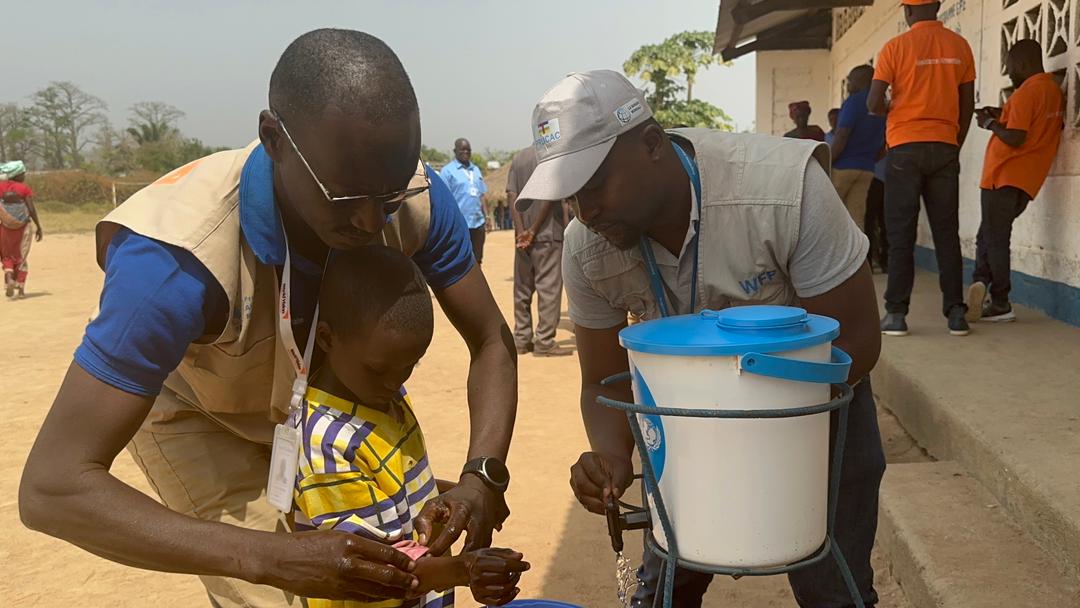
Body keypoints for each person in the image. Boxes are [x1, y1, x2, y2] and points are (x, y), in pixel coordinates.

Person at [19, 29, 517, 608]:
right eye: (345, 196)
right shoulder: (175, 262)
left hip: (325, 409)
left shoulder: (418, 201)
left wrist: (483, 474)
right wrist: (266, 556)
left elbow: (490, 341)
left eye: (387, 196)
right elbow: (54, 486)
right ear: (274, 139)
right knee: (281, 595)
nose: (368, 222)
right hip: (204, 416)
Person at [518, 70, 884, 608]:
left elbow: (856, 339)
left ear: (650, 145)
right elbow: (600, 378)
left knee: (832, 587)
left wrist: (750, 423)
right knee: (667, 582)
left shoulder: (781, 190)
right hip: (681, 422)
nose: (584, 213)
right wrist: (613, 459)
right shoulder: (585, 249)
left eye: (593, 186)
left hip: (812, 412)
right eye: (570, 196)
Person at [294, 245, 529, 608]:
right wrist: (465, 569)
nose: (394, 383)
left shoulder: (377, 396)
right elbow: (371, 567)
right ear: (327, 338)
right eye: (379, 369)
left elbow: (390, 485)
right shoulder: (327, 442)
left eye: (409, 367)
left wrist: (459, 496)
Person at [868, 0, 976, 337]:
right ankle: (956, 314)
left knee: (901, 234)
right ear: (938, 6)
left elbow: (873, 103)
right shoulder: (960, 46)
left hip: (904, 149)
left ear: (907, 12)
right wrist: (953, 143)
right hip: (944, 145)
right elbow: (967, 105)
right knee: (947, 233)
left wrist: (894, 108)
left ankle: (897, 314)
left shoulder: (895, 47)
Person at [967, 39, 1064, 323]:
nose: (1008, 73)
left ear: (1022, 64)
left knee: (994, 238)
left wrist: (989, 124)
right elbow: (1029, 126)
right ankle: (981, 282)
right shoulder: (1052, 91)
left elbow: (1016, 137)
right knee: (988, 235)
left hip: (1004, 174)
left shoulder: (1026, 93)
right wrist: (1001, 115)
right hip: (1026, 179)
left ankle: (1000, 301)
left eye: (1010, 66)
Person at [506, 146, 572, 358]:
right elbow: (550, 196)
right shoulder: (551, 157)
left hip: (522, 239)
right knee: (549, 290)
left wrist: (520, 231)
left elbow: (512, 194)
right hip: (547, 236)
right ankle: (544, 341)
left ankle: (521, 340)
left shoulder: (519, 158)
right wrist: (533, 231)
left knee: (522, 290)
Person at [832, 66, 887, 232]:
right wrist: (869, 159)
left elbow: (842, 134)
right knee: (856, 220)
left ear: (861, 80)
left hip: (843, 168)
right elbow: (886, 143)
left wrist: (829, 161)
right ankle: (857, 257)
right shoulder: (882, 105)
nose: (848, 85)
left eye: (850, 81)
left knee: (829, 214)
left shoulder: (854, 102)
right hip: (867, 170)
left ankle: (827, 257)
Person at [440, 138, 488, 264]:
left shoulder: (476, 170)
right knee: (461, 260)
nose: (466, 152)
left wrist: (487, 217)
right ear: (455, 151)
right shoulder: (447, 171)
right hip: (459, 224)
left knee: (477, 259)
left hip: (478, 223)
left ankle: (477, 283)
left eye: (468, 150)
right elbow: (444, 199)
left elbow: (482, 195)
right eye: (462, 150)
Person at [0, 160, 43, 299]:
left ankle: (8, 279)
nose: (24, 176)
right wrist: (38, 226)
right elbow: (31, 208)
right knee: (21, 255)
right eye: (23, 173)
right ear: (17, 175)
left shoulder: (0, 187)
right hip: (23, 227)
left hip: (4, 227)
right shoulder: (24, 188)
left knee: (7, 256)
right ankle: (20, 286)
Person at [864, 157, 889, 274]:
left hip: (872, 174)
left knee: (868, 221)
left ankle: (868, 262)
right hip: (887, 175)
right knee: (886, 221)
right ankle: (886, 261)